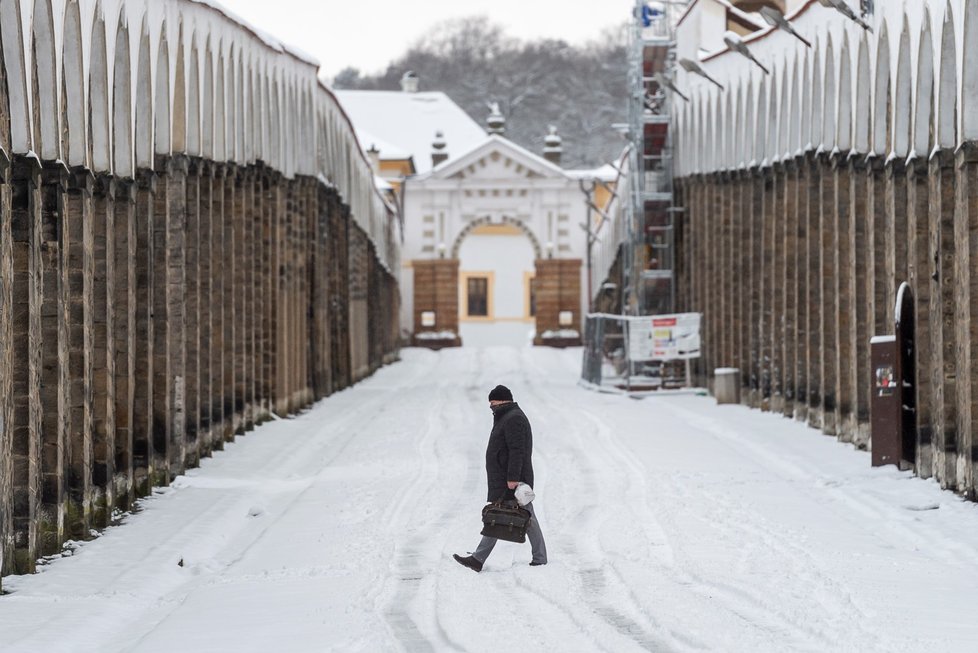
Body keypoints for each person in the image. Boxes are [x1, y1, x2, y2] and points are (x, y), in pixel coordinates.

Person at [453, 385, 548, 572]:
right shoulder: (507, 416)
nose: (491, 407)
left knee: (521, 516)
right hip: (507, 477)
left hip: (513, 479)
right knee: (506, 514)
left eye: (493, 403)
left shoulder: (514, 419)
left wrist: (513, 478)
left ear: (503, 400)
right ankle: (479, 558)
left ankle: (538, 557)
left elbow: (517, 451)